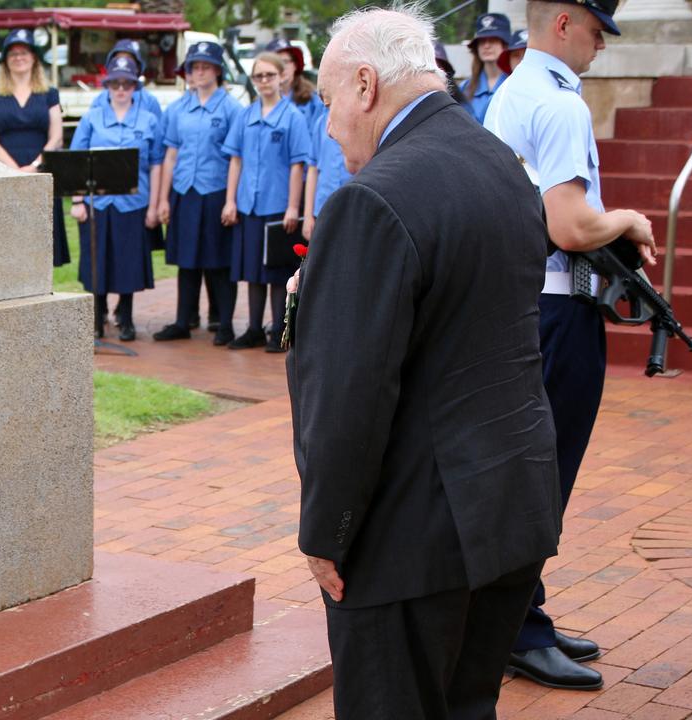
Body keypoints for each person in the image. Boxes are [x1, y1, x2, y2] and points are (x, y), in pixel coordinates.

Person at [289, 6, 561, 718]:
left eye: (327, 101)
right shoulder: (499, 163)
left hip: (411, 541)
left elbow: (349, 400)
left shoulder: (372, 201)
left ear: (366, 85)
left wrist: (325, 535)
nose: (328, 124)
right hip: (509, 510)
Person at [485, 0, 658, 691]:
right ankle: (513, 630)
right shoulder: (559, 104)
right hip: (557, 309)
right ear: (563, 23)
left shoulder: (513, 89)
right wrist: (629, 218)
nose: (601, 46)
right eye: (595, 30)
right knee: (541, 480)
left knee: (526, 472)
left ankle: (521, 612)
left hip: (524, 305)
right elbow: (569, 224)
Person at [69, 55, 164, 342]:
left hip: (133, 203)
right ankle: (97, 316)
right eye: (115, 83)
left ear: (135, 86)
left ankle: (126, 316)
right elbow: (77, 160)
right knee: (96, 261)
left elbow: (156, 164)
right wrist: (77, 201)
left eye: (127, 83)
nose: (121, 89)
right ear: (107, 85)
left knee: (128, 262)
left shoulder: (148, 120)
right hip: (98, 204)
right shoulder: (92, 117)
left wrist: (155, 205)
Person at [152, 42, 241, 346]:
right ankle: (182, 321)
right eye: (194, 67)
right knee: (186, 261)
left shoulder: (231, 109)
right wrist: (164, 198)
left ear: (217, 70)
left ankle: (225, 324)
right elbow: (170, 156)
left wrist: (231, 200)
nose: (198, 72)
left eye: (205, 66)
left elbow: (236, 160)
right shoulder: (178, 109)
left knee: (219, 262)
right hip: (184, 191)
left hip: (215, 191)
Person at [221, 52, 311, 353]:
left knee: (276, 272)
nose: (264, 81)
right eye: (258, 76)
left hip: (277, 204)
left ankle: (277, 329)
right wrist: (230, 200)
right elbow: (235, 160)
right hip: (249, 204)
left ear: (281, 76)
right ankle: (253, 328)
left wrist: (293, 207)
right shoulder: (245, 116)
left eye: (269, 75)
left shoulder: (293, 118)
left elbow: (298, 165)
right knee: (252, 271)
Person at [0, 29, 70, 267]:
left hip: (41, 173)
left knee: (42, 245)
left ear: (34, 58)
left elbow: (57, 137)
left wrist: (34, 166)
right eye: (13, 53)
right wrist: (14, 170)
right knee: (8, 245)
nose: (19, 57)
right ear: (5, 60)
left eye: (24, 52)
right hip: (4, 173)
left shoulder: (49, 94)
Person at [301, 105, 352, 242]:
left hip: (351, 208)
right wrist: (308, 216)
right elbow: (312, 170)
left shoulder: (358, 121)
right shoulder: (321, 122)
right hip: (322, 209)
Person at [459, 13, 512, 124]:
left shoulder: (515, 85)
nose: (486, 46)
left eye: (493, 40)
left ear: (505, 44)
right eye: (482, 41)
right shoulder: (464, 88)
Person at [266, 38, 326, 129]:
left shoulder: (314, 102)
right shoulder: (260, 105)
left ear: (295, 65)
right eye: (276, 62)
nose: (281, 67)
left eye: (285, 62)